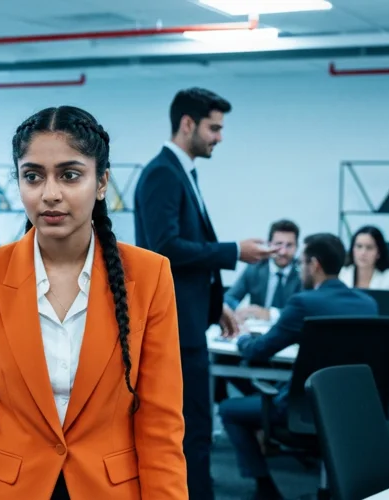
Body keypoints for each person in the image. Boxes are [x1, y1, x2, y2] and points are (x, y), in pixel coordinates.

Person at [0, 106, 188, 499]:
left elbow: (161, 426)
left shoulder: (150, 275)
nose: (50, 194)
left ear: (102, 182)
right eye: (33, 176)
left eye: (70, 175)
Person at [133, 87, 274, 500]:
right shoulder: (162, 173)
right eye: (214, 128)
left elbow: (185, 254)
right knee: (189, 428)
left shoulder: (183, 173)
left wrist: (219, 307)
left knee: (195, 426)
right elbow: (164, 248)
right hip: (173, 328)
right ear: (188, 124)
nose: (219, 137)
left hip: (192, 323)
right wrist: (235, 252)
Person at [219, 233, 378, 500]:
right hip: (354, 409)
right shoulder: (369, 304)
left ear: (314, 265)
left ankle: (265, 489)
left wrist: (242, 337)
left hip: (305, 407)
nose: (300, 268)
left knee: (227, 409)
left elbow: (260, 351)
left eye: (302, 262)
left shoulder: (304, 302)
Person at [225, 219, 303, 323]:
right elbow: (231, 297)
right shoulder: (255, 267)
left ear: (297, 246)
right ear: (269, 244)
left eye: (289, 245)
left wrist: (270, 314)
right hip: (257, 330)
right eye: (278, 244)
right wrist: (233, 311)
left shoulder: (303, 272)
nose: (283, 252)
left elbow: (303, 310)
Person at [339, 225, 389, 291]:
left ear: (378, 253)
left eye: (369, 248)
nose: (363, 253)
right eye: (359, 246)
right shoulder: (341, 275)